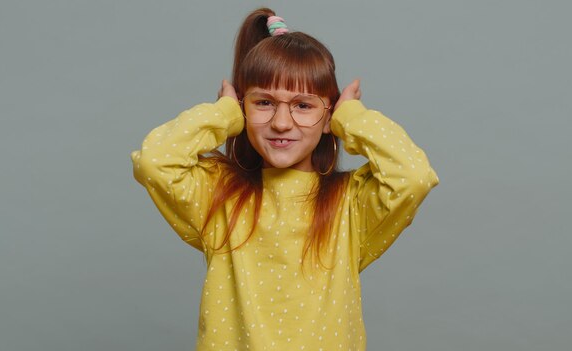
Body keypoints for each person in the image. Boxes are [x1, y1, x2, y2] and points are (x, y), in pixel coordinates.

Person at [131, 7, 439, 351]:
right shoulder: (217, 193)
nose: (281, 122)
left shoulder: (351, 205)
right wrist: (222, 114)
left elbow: (413, 176)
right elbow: (155, 162)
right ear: (242, 109)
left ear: (329, 116)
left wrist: (351, 118)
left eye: (303, 106)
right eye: (263, 102)